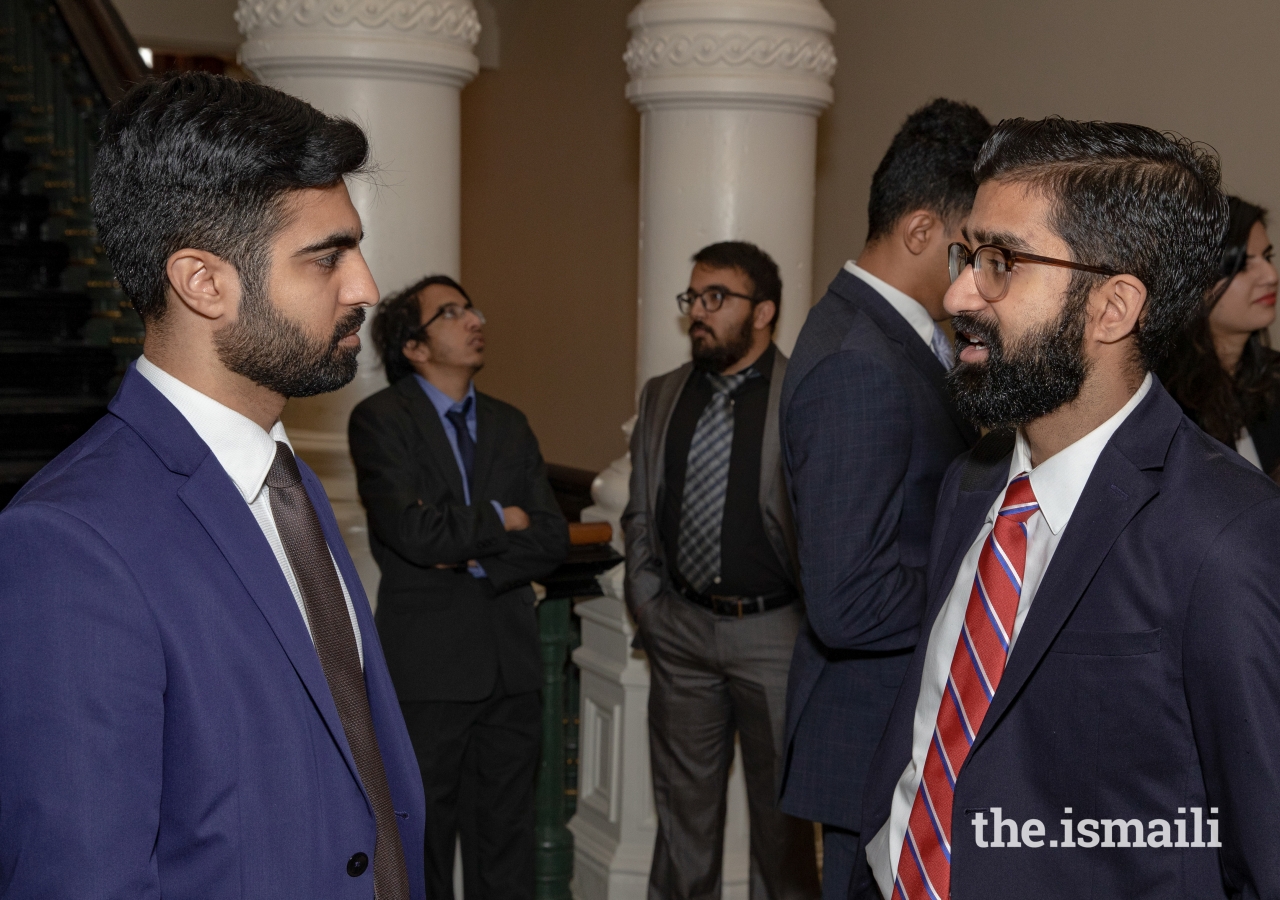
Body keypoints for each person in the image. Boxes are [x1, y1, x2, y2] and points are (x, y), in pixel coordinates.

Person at [0, 73, 425, 898]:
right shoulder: (68, 545)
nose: (366, 287)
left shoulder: (281, 476)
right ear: (203, 282)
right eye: (326, 257)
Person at [857, 118, 1280, 899]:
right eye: (966, 255)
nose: (956, 294)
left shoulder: (1227, 540)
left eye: (1000, 264)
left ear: (1113, 307)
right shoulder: (974, 481)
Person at [776, 98, 987, 898]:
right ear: (923, 231)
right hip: (871, 735)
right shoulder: (857, 361)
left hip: (893, 723)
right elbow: (849, 601)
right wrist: (991, 592)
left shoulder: (896, 338)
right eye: (972, 251)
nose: (978, 279)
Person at [348, 275, 569, 900]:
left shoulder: (509, 422)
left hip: (512, 667)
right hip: (429, 671)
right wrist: (503, 519)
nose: (475, 318)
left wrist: (473, 560)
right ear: (414, 347)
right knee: (425, 842)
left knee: (508, 842)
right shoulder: (381, 421)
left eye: (471, 305)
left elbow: (551, 536)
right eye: (450, 312)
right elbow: (412, 533)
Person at [623, 241, 819, 900]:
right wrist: (649, 605)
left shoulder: (805, 396)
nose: (698, 313)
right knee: (683, 826)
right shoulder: (662, 396)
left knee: (784, 830)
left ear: (763, 311)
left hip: (774, 635)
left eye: (716, 298)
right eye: (693, 298)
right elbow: (640, 511)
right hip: (679, 631)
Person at [1160, 196, 1280, 477]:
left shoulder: (1269, 382)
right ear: (1195, 282)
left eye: (1268, 257)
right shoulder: (1163, 404)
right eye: (1243, 265)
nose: (1270, 275)